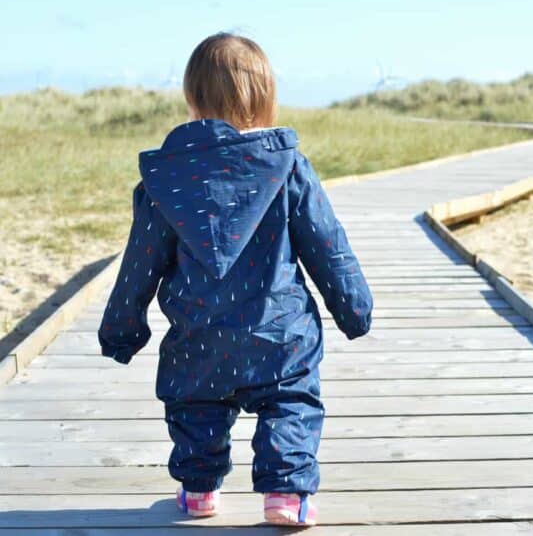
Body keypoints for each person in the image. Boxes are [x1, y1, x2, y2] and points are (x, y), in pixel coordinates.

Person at [98, 32, 373, 526]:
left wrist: (122, 328)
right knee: (290, 401)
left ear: (192, 101)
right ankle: (286, 495)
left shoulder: (167, 181)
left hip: (199, 336)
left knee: (196, 403)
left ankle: (199, 490)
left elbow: (140, 261)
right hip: (279, 336)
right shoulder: (288, 167)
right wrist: (353, 307)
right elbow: (328, 246)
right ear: (266, 98)